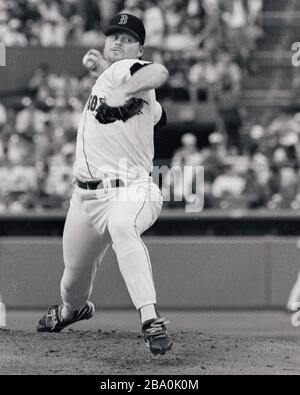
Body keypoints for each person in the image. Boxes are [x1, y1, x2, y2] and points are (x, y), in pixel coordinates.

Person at [36, 13, 172, 356]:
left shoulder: (135, 71)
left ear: (140, 47)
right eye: (113, 36)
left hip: (131, 190)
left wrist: (122, 85)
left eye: (127, 38)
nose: (117, 42)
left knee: (123, 226)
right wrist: (107, 78)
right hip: (84, 198)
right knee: (72, 284)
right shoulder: (111, 78)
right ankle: (72, 312)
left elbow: (159, 73)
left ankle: (150, 320)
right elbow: (153, 114)